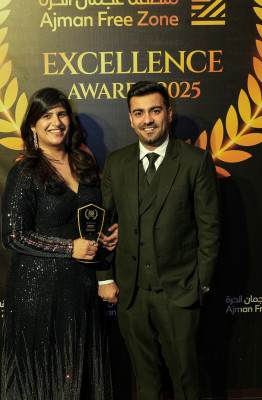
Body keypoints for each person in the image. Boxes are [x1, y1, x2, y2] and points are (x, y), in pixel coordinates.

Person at [97, 81, 221, 399]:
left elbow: (210, 228)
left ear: (168, 112)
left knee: (186, 379)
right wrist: (105, 277)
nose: (147, 120)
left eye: (154, 110)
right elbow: (104, 224)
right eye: (139, 113)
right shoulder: (116, 162)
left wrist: (201, 284)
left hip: (179, 291)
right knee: (144, 380)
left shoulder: (195, 161)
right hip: (131, 292)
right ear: (130, 119)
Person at [1, 87, 114, 400]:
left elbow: (93, 217)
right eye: (46, 116)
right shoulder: (25, 170)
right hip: (38, 291)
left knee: (81, 370)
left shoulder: (86, 164)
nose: (56, 122)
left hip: (82, 287)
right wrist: (69, 248)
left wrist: (109, 233)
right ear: (33, 126)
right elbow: (13, 236)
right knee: (44, 376)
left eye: (62, 114)